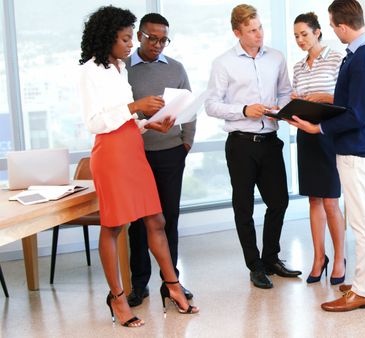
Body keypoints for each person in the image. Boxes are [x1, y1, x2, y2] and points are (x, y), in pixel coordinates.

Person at [78, 6, 198, 327]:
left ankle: (172, 286)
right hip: (112, 155)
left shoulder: (118, 68)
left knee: (156, 219)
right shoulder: (90, 71)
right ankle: (118, 298)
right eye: (126, 38)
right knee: (114, 226)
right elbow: (95, 122)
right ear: (108, 38)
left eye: (131, 38)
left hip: (133, 148)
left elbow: (125, 119)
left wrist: (147, 124)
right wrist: (136, 106)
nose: (130, 44)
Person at [286, 0, 365, 312]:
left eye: (331, 25)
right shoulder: (360, 54)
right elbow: (353, 105)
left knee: (362, 222)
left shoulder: (364, 60)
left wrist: (319, 128)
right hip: (361, 147)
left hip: (356, 149)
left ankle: (361, 290)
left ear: (343, 26)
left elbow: (356, 115)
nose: (331, 30)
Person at [205, 4, 301, 289]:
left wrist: (280, 110)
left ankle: (271, 258)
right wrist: (245, 110)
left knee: (279, 202)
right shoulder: (223, 63)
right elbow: (211, 105)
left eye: (260, 28)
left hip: (270, 141)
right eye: (252, 31)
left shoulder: (276, 57)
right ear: (237, 32)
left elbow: (285, 92)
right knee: (244, 208)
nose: (259, 35)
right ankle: (254, 264)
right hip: (241, 145)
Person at [124, 13, 196, 307]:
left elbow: (190, 106)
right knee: (138, 223)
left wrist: (186, 142)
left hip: (170, 152)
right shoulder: (122, 68)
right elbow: (118, 112)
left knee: (169, 219)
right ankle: (138, 285)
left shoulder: (176, 68)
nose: (157, 44)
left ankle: (171, 283)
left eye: (163, 39)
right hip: (135, 154)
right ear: (139, 35)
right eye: (151, 38)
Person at [291, 12, 346, 285]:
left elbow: (345, 99)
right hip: (306, 135)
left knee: (331, 201)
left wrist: (324, 97)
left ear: (318, 32)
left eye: (304, 34)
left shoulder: (336, 58)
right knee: (313, 200)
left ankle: (339, 258)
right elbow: (298, 97)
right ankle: (318, 258)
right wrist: (293, 105)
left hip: (328, 135)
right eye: (297, 36)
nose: (301, 40)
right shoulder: (298, 67)